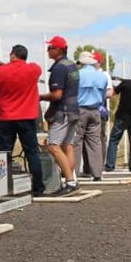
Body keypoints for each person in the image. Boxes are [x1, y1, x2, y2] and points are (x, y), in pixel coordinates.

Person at [0, 44, 44, 196]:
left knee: (3, 155)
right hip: (27, 118)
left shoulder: (2, 71)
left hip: (7, 118)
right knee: (32, 153)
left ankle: (2, 189)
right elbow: (20, 70)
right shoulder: (34, 69)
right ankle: (38, 188)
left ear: (13, 55)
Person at [39, 35, 80, 196]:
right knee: (67, 146)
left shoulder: (59, 68)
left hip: (62, 111)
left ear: (58, 50)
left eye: (50, 48)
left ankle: (69, 182)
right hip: (73, 110)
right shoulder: (71, 65)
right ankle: (71, 180)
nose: (48, 51)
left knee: (53, 146)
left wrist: (40, 97)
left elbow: (56, 95)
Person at [104, 67, 131, 172]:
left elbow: (113, 93)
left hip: (122, 115)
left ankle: (110, 166)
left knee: (114, 140)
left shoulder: (126, 83)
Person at [72, 51, 108, 180]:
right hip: (95, 110)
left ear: (81, 62)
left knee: (76, 142)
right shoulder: (102, 77)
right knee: (95, 142)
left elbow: (72, 94)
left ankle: (73, 172)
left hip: (80, 109)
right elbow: (104, 95)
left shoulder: (77, 75)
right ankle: (97, 173)